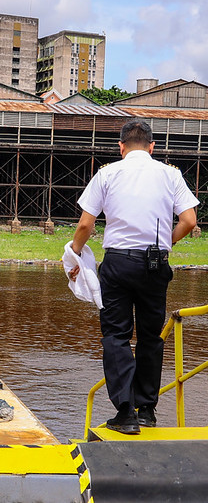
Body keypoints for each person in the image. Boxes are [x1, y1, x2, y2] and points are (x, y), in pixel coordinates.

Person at [69, 120, 198, 434]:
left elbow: (86, 225)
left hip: (119, 263)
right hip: (155, 264)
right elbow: (190, 220)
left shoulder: (108, 173)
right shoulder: (171, 174)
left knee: (116, 335)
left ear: (121, 147)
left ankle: (125, 413)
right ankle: (147, 412)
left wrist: (75, 253)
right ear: (152, 147)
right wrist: (167, 241)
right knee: (151, 338)